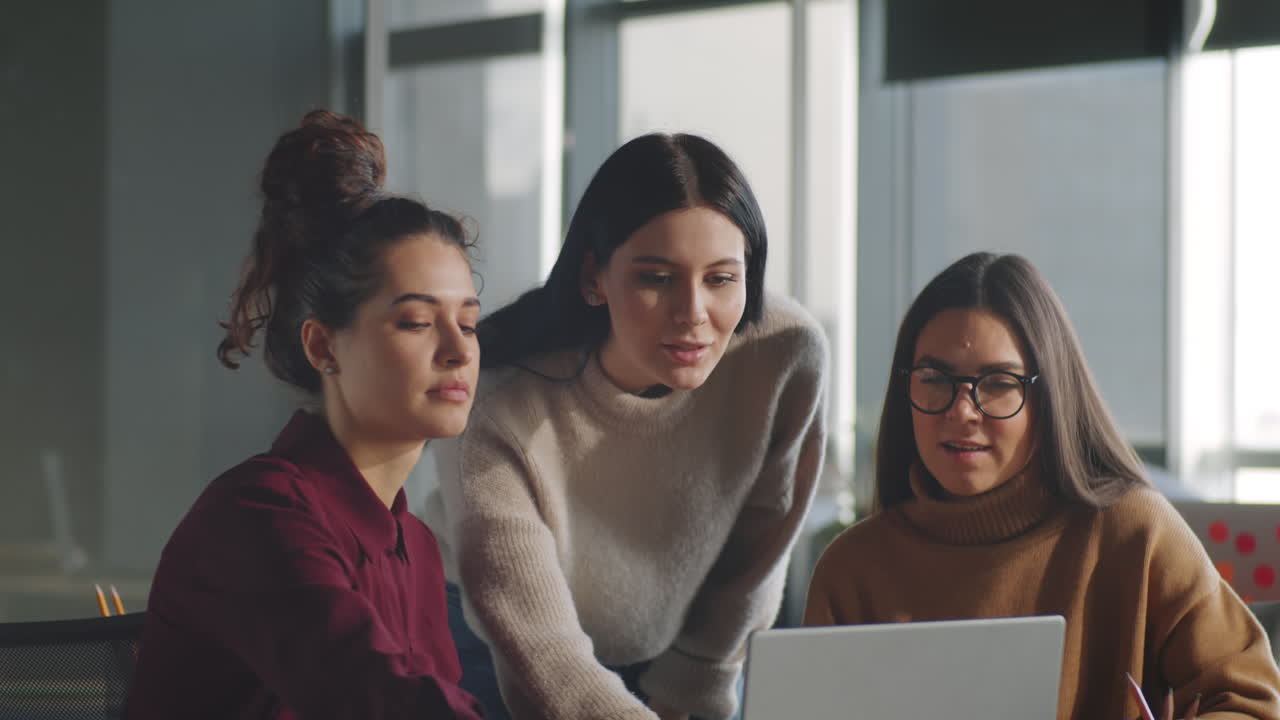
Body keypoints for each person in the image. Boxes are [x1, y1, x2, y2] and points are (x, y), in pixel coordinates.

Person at [423, 133, 829, 720]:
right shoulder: (495, 397)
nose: (693, 312)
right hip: (489, 639)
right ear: (594, 277)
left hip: (675, 642)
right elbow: (542, 650)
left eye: (721, 278)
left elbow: (759, 546)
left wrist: (693, 681)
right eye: (656, 278)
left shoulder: (785, 352)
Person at [803, 252, 1280, 719]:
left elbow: (1251, 701)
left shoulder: (1133, 532)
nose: (962, 411)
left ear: (1050, 397)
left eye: (997, 382)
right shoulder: (852, 570)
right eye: (934, 377)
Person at [125, 110, 486, 720]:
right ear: (324, 347)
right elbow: (378, 698)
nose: (458, 350)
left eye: (469, 323)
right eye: (418, 322)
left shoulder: (416, 547)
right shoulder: (256, 516)